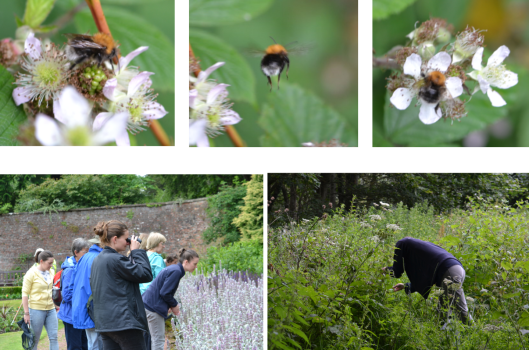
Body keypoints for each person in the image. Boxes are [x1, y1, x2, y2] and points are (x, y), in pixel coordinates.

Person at [382, 236, 474, 326]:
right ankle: (452, 336)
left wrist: (384, 270)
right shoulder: (421, 249)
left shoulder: (401, 243)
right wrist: (406, 286)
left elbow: (396, 272)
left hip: (449, 272)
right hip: (456, 269)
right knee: (448, 312)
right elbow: (426, 277)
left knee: (454, 312)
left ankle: (472, 334)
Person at [90, 220, 153, 350]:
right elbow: (145, 274)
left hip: (106, 324)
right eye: (126, 239)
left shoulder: (98, 260)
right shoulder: (116, 259)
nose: (128, 242)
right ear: (115, 239)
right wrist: (136, 251)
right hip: (124, 324)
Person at [142, 248, 199, 350]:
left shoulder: (174, 269)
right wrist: (174, 305)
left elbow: (163, 290)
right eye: (194, 264)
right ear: (186, 262)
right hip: (153, 307)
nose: (196, 266)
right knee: (158, 340)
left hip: (149, 304)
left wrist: (167, 305)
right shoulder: (176, 271)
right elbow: (165, 292)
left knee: (153, 339)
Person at [70, 234, 105, 350]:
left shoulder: (84, 257)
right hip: (92, 307)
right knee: (97, 344)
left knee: (92, 343)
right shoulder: (99, 257)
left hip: (83, 306)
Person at [57, 238, 91, 350]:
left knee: (84, 346)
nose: (88, 255)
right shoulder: (70, 270)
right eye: (85, 252)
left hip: (79, 314)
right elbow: (66, 295)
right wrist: (84, 300)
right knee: (75, 347)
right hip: (71, 316)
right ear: (76, 252)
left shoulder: (79, 266)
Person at [22, 250, 59, 350]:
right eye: (49, 263)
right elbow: (24, 294)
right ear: (41, 261)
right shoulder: (31, 274)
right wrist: (26, 313)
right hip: (36, 310)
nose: (51, 265)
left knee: (54, 338)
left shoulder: (51, 272)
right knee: (34, 340)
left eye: (52, 263)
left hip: (51, 310)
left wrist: (56, 305)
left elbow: (52, 290)